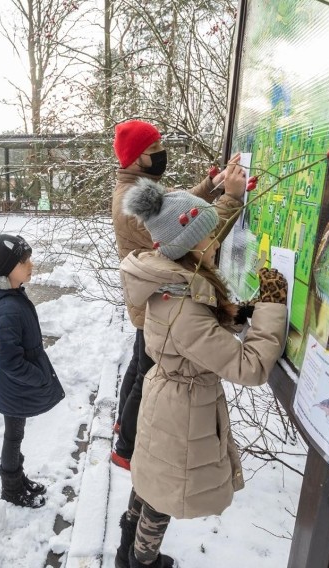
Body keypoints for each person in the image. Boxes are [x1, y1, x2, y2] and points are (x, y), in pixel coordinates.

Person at [114, 180, 288, 567]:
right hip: (182, 412)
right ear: (189, 245)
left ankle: (129, 551)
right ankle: (141, 562)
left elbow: (205, 329)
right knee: (162, 495)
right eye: (209, 235)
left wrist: (248, 310)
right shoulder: (184, 304)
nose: (215, 242)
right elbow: (250, 366)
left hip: (170, 401)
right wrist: (273, 310)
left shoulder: (173, 286)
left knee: (153, 483)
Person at [110, 119, 246, 470]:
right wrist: (230, 199)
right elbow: (186, 233)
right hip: (159, 299)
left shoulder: (140, 186)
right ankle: (126, 448)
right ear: (136, 158)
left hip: (152, 297)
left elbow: (174, 209)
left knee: (140, 368)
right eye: (153, 150)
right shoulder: (130, 199)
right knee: (147, 374)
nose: (161, 155)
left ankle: (123, 428)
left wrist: (211, 186)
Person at [0, 234, 66, 508]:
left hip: (15, 384)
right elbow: (11, 360)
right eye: (24, 261)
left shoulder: (12, 295)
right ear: (9, 268)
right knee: (13, 437)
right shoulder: (8, 308)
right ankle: (11, 487)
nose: (31, 265)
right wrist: (39, 377)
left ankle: (16, 478)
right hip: (16, 383)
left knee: (15, 434)